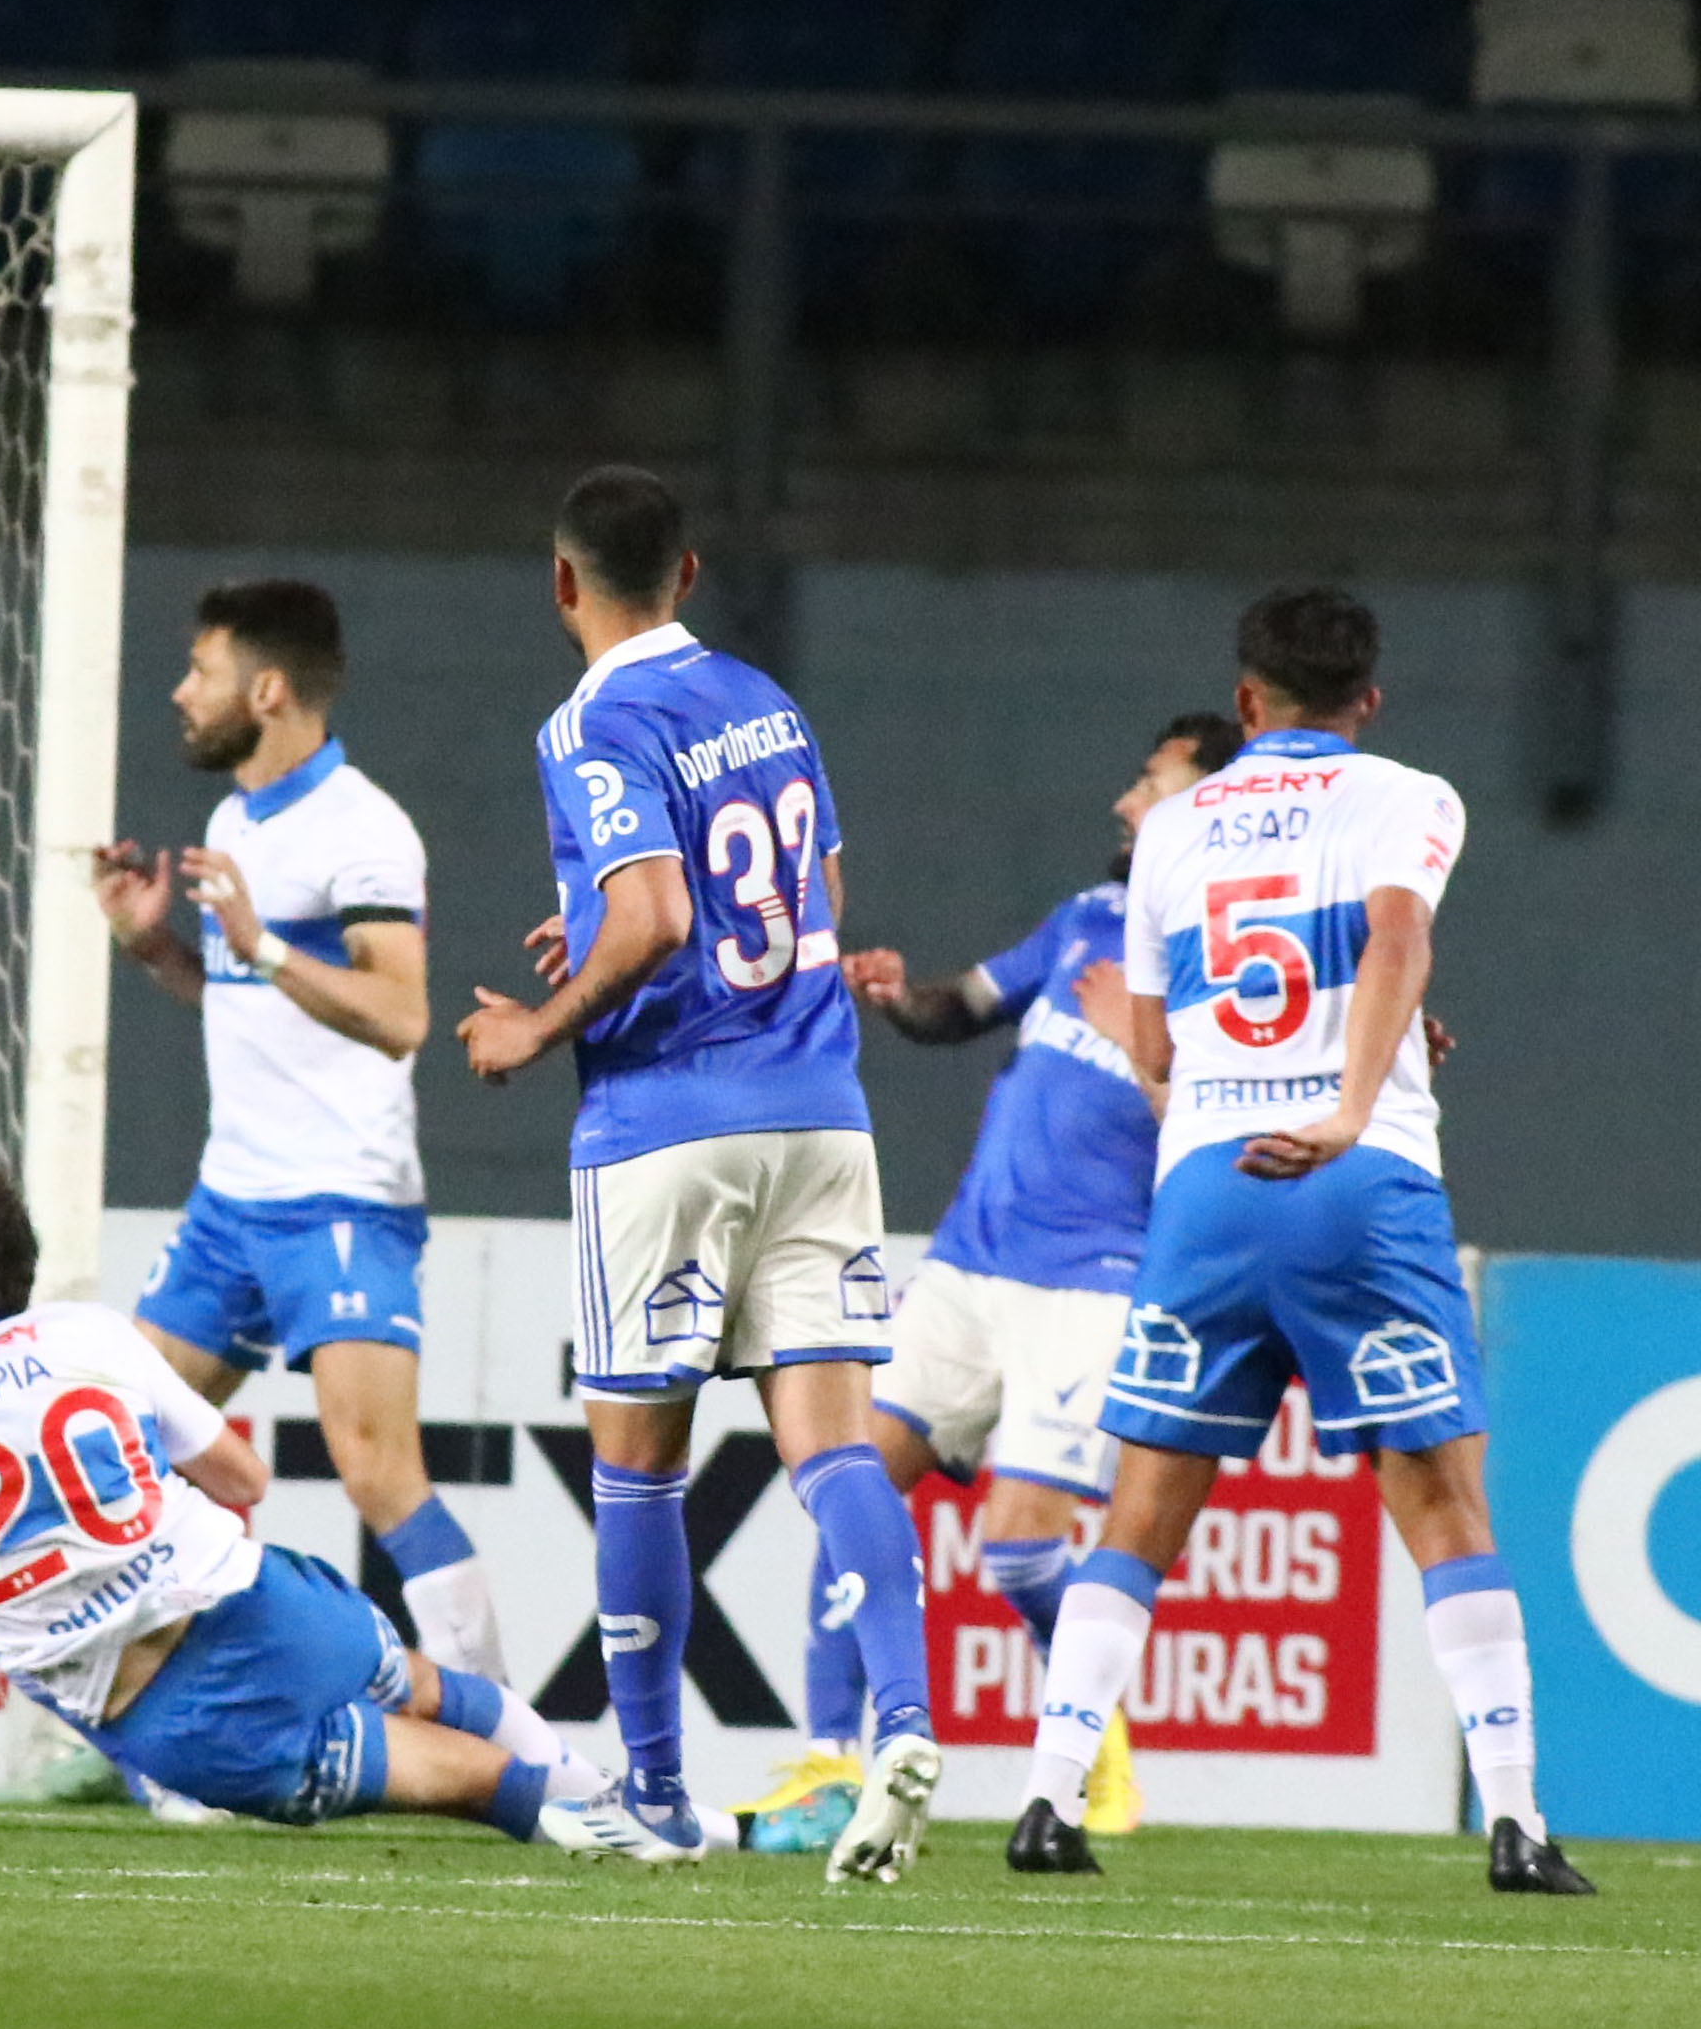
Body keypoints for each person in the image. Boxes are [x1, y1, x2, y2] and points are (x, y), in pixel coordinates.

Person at [1008, 590, 1594, 1894]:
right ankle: (1514, 1823)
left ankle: (1048, 1802)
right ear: (1367, 701)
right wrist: (1345, 1096)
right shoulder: (1410, 794)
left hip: (1209, 1186)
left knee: (1144, 1507)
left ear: (1249, 702)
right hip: (1357, 1177)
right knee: (1442, 1503)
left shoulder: (1171, 832)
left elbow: (1156, 1054)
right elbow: (1397, 934)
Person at [455, 465, 942, 1883]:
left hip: (669, 1121)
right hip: (821, 1107)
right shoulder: (768, 702)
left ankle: (660, 1792)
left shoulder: (593, 718)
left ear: (564, 584)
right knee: (836, 1447)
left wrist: (541, 1023)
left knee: (639, 1470)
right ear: (692, 570)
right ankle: (899, 1720)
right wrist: (605, 928)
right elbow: (813, 904)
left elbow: (661, 911)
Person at [0, 1165, 637, 1850]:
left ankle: (606, 1820)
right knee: (432, 1688)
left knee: (468, 1782)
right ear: (23, 1275)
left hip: (176, 1717)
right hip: (259, 1600)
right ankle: (646, 1810)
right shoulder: (89, 1333)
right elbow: (242, 1478)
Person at [734, 712, 1237, 1854]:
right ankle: (831, 1767)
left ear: (1206, 807)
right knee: (846, 1483)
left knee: (1017, 1546)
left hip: (1092, 1284)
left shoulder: (1232, 962)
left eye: (1150, 783)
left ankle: (1095, 1740)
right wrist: (897, 992)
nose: (1124, 802)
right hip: (967, 1263)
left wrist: (1158, 1048)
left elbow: (1228, 1135)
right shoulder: (1088, 920)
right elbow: (963, 1005)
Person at [92, 580, 507, 1690]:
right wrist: (158, 948)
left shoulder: (362, 829)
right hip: (230, 1205)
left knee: (377, 1475)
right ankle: (160, 1733)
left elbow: (401, 1015)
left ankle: (505, 1732)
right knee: (124, 1445)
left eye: (203, 670)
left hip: (341, 1202)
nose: (182, 691)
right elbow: (251, 996)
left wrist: (264, 943)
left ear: (268, 689)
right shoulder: (236, 819)